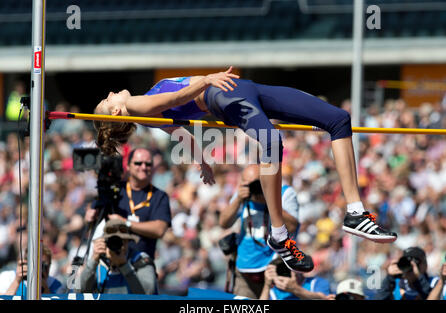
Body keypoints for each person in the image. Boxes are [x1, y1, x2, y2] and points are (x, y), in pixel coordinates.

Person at [93, 67, 396, 272]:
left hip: (246, 88)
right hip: (222, 94)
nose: (110, 93)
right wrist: (207, 80)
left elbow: (179, 131)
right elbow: (176, 98)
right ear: (117, 111)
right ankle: (279, 233)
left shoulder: (144, 110)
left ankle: (355, 211)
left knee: (338, 119)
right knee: (271, 141)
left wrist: (201, 159)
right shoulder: (138, 105)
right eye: (107, 100)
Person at [85, 148, 171, 289]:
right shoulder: (115, 190)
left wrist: (125, 223)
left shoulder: (159, 196)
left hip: (141, 264)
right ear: (128, 165)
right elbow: (92, 217)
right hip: (109, 264)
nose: (143, 167)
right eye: (138, 163)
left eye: (148, 164)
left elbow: (160, 229)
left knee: (147, 294)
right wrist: (89, 215)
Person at [218, 164, 301, 299]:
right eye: (248, 183)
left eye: (257, 183)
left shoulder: (284, 193)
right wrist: (238, 199)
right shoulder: (242, 195)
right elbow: (223, 223)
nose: (254, 188)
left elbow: (292, 227)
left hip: (275, 266)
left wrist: (270, 201)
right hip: (245, 268)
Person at [79, 219, 157, 294]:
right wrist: (93, 260)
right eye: (112, 241)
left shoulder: (139, 259)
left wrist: (124, 266)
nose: (119, 245)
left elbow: (148, 292)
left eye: (122, 240)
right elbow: (79, 291)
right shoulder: (99, 263)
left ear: (128, 241)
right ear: (105, 242)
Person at [259, 258, 335, 300]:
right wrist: (267, 285)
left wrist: (295, 289)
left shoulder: (316, 282)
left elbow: (323, 298)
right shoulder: (273, 292)